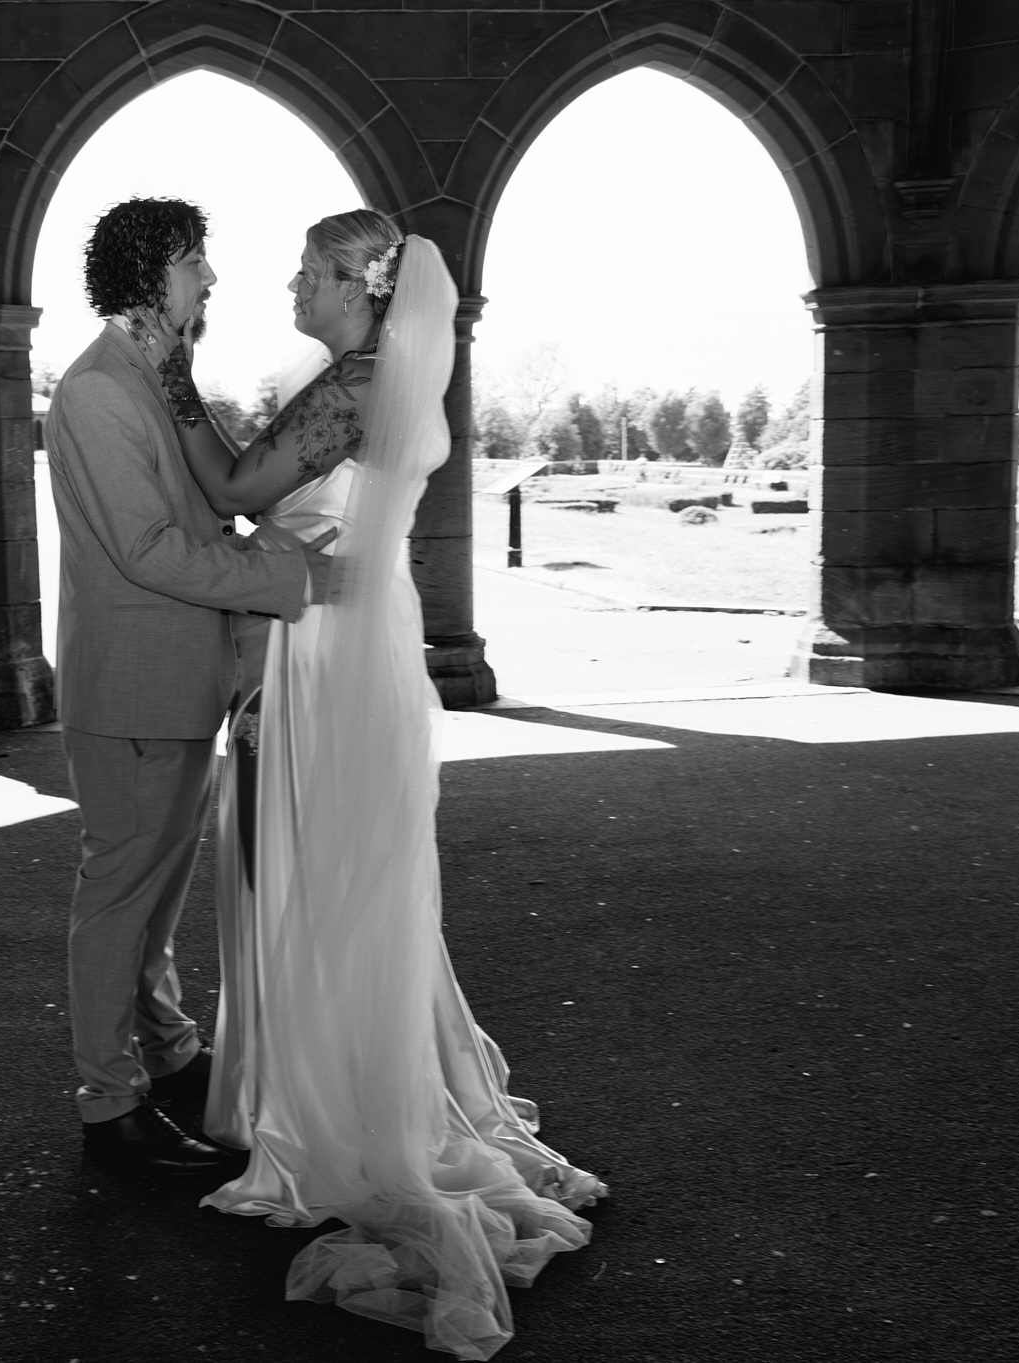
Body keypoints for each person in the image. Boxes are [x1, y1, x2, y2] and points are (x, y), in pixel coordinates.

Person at [160, 209, 609, 1360]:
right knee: (354, 879)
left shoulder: (350, 389)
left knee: (318, 875)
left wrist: (172, 376)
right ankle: (347, 1087)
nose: (290, 287)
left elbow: (233, 486)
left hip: (322, 655)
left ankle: (331, 1114)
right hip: (373, 646)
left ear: (359, 285)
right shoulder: (399, 387)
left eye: (308, 271)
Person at [43, 198, 339, 1176]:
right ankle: (109, 1105)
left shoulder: (150, 374)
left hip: (173, 681)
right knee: (119, 893)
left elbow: (202, 512)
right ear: (148, 273)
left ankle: (165, 1051)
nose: (208, 277)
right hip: (131, 687)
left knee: (156, 893)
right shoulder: (98, 391)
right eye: (192, 261)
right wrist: (284, 577)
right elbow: (147, 549)